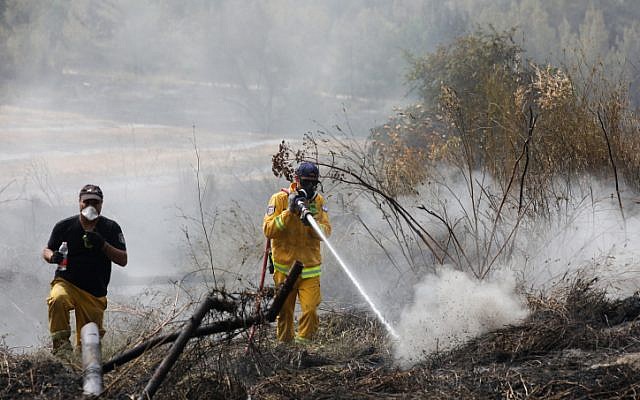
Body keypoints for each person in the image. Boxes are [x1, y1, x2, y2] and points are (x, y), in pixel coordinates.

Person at [42, 184, 127, 354]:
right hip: (67, 283)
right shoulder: (64, 226)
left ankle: (82, 367)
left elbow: (123, 259)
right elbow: (46, 250)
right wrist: (53, 257)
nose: (90, 206)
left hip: (94, 293)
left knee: (88, 346)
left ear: (101, 204)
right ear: (79, 203)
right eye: (86, 202)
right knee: (57, 299)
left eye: (95, 203)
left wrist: (102, 244)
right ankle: (62, 351)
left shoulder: (110, 228)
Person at [263, 161, 332, 344]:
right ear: (296, 180)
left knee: (310, 311)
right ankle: (285, 348)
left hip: (310, 270)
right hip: (284, 270)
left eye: (313, 183)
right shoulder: (279, 199)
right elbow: (269, 230)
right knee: (284, 313)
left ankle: (303, 349)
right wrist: (289, 212)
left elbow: (326, 232)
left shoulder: (318, 202)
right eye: (305, 182)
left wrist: (311, 225)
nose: (309, 187)